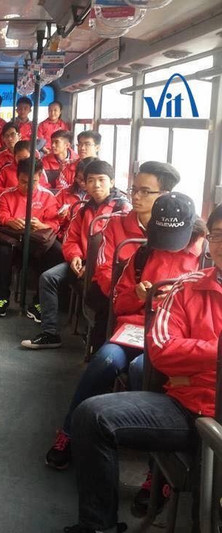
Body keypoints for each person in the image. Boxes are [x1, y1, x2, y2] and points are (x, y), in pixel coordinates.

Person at [61, 200, 222, 533]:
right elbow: (162, 349)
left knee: (138, 370)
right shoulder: (184, 283)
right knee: (95, 406)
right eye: (220, 234)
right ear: (209, 238)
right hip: (187, 403)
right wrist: (137, 294)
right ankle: (99, 523)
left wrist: (197, 364)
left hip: (199, 392)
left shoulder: (191, 264)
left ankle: (157, 475)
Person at [45, 192, 205, 472]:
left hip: (171, 339)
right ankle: (70, 431)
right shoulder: (142, 256)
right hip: (134, 329)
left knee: (142, 368)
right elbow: (118, 304)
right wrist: (138, 295)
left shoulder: (203, 264)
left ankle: (152, 461)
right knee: (105, 360)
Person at [21, 160, 129, 348]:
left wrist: (92, 266)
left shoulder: (123, 211)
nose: (96, 185)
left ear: (112, 182)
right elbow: (71, 239)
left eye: (101, 180)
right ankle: (50, 332)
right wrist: (75, 257)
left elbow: (122, 250)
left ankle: (97, 337)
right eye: (91, 180)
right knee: (48, 278)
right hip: (82, 263)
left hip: (107, 268)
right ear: (85, 184)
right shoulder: (84, 210)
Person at [93, 161, 181, 299]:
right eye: (134, 190)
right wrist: (122, 295)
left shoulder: (177, 233)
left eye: (145, 191)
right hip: (119, 295)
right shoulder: (115, 223)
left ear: (164, 195)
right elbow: (104, 268)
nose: (135, 196)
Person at [0, 157, 62, 317]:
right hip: (15, 241)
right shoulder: (6, 196)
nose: (28, 186)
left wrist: (42, 225)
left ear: (40, 177)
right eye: (23, 182)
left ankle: (38, 302)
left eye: (34, 182)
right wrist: (9, 221)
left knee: (57, 252)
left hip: (38, 242)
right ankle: (2, 298)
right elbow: (0, 216)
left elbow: (55, 223)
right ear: (17, 177)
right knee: (2, 252)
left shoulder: (48, 197)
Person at [53, 157, 94, 241]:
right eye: (79, 179)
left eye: (86, 180)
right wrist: (61, 217)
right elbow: (54, 222)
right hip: (68, 236)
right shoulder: (64, 193)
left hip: (91, 238)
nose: (82, 183)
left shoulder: (99, 197)